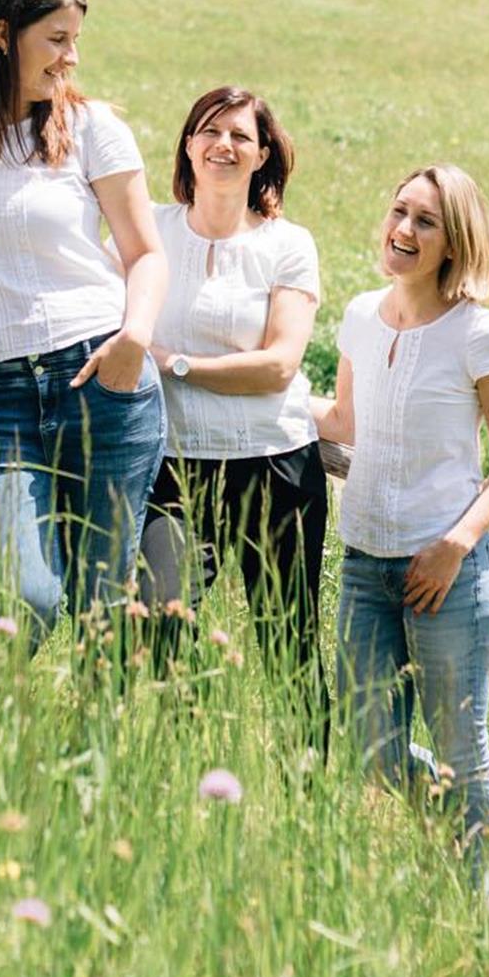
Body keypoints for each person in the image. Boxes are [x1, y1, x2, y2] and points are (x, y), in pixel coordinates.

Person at [0, 0, 165, 644]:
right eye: (57, 39)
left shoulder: (92, 130)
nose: (72, 57)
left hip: (100, 379)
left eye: (76, 40)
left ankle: (88, 747)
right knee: (21, 603)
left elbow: (146, 253)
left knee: (99, 613)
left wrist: (135, 341)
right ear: (3, 35)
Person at [313, 165, 489, 851]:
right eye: (399, 212)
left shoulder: (479, 334)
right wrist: (262, 394)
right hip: (364, 568)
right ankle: (488, 837)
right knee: (371, 748)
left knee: (464, 753)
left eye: (425, 221)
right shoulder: (358, 316)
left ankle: (482, 908)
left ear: (454, 244)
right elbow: (344, 420)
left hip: (447, 576)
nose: (403, 230)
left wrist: (455, 544)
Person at [138, 86, 328, 727]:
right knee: (157, 632)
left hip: (274, 469)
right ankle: (176, 767)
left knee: (288, 644)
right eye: (210, 131)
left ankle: (305, 787)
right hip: (174, 469)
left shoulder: (288, 245)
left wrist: (175, 363)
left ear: (263, 153)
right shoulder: (149, 230)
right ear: (189, 145)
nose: (223, 144)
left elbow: (278, 367)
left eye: (240, 136)